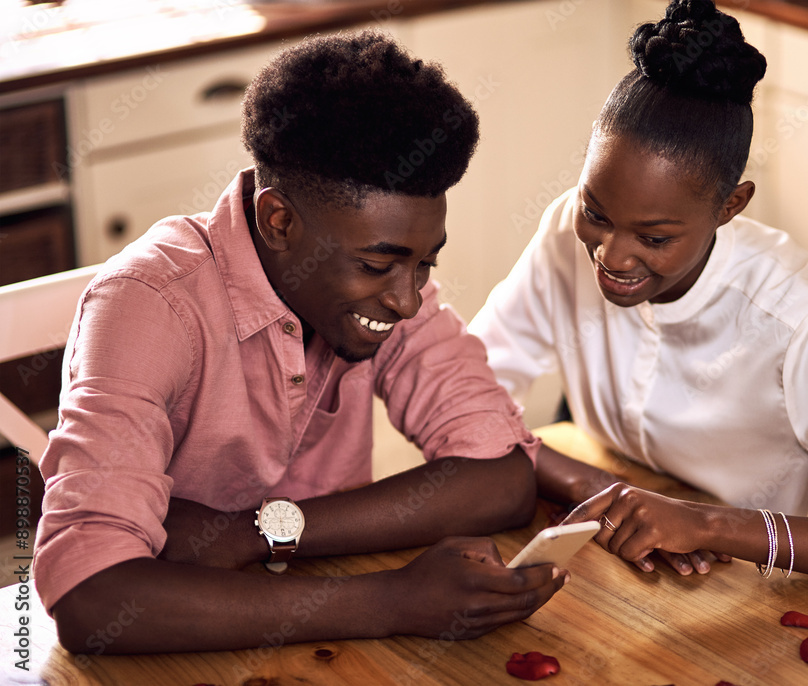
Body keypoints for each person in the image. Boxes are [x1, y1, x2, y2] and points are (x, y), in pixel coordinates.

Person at [35, 30, 566, 654]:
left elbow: (499, 478)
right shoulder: (150, 305)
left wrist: (252, 534)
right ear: (278, 221)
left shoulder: (386, 287)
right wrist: (390, 600)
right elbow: (92, 600)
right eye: (378, 265)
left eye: (425, 263)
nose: (407, 299)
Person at [469, 0, 808, 598]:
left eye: (654, 237)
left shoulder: (794, 319)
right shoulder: (564, 229)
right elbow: (469, 394)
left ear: (731, 206)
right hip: (605, 557)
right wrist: (595, 488)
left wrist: (711, 525)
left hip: (739, 588)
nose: (612, 255)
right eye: (597, 213)